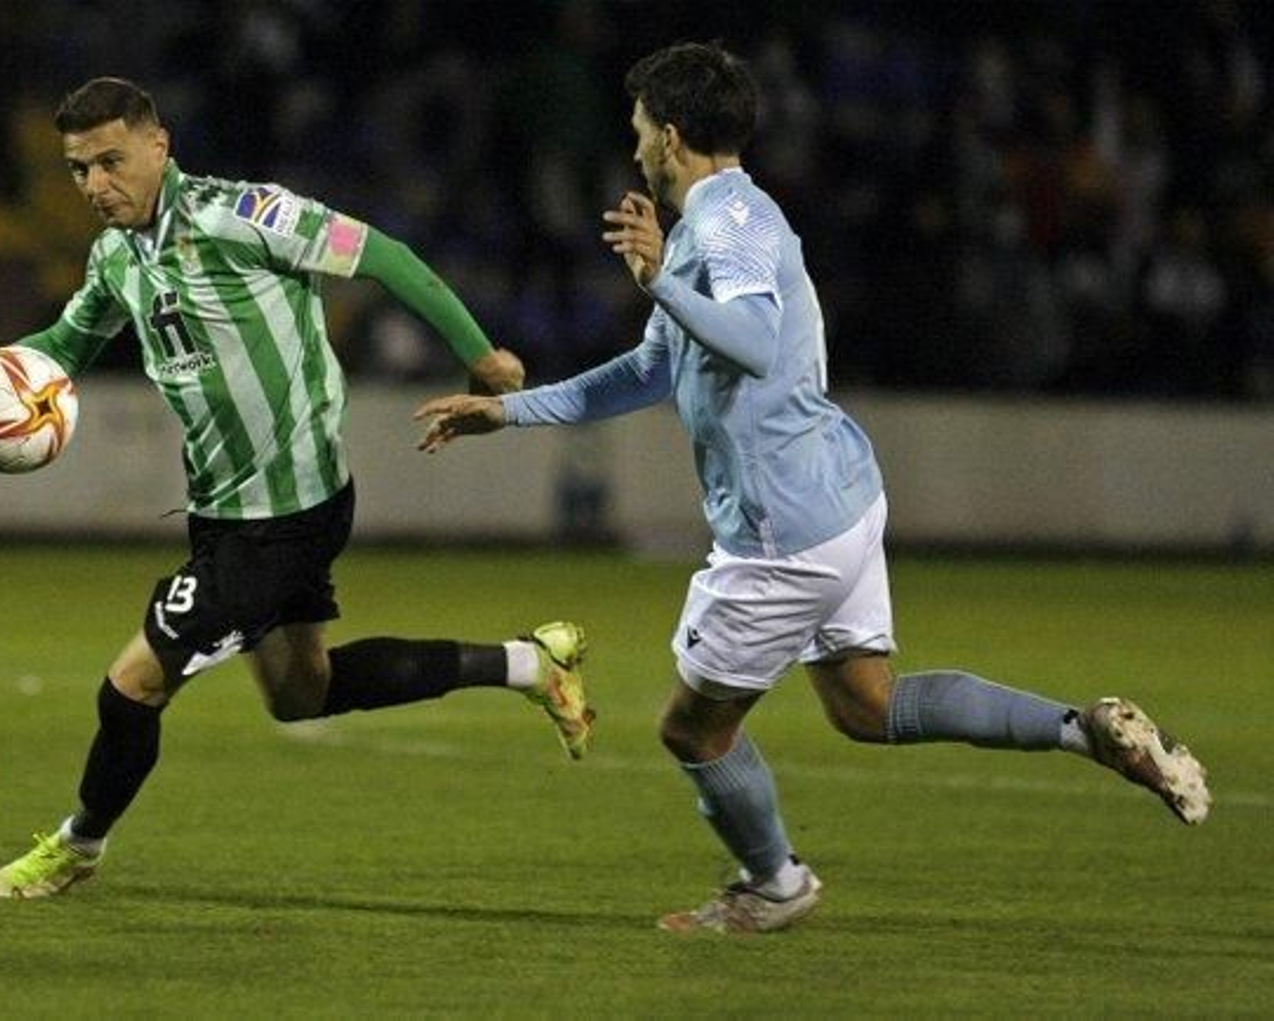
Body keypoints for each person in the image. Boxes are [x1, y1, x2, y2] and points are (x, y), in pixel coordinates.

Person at [414, 42, 1211, 936]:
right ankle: (1083, 728)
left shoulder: (732, 225)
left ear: (670, 136)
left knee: (692, 731)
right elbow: (650, 372)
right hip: (838, 498)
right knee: (867, 704)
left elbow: (750, 340)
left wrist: (654, 278)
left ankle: (775, 885)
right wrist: (511, 413)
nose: (634, 146)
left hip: (782, 531)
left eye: (640, 130)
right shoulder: (726, 227)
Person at [0, 77, 595, 899]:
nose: (96, 185)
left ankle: (77, 846)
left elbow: (384, 257)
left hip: (287, 513)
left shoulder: (244, 216)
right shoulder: (116, 258)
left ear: (159, 146)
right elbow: (62, 348)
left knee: (134, 682)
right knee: (301, 691)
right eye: (78, 170)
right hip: (223, 510)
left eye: (111, 161)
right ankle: (532, 663)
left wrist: (485, 356)